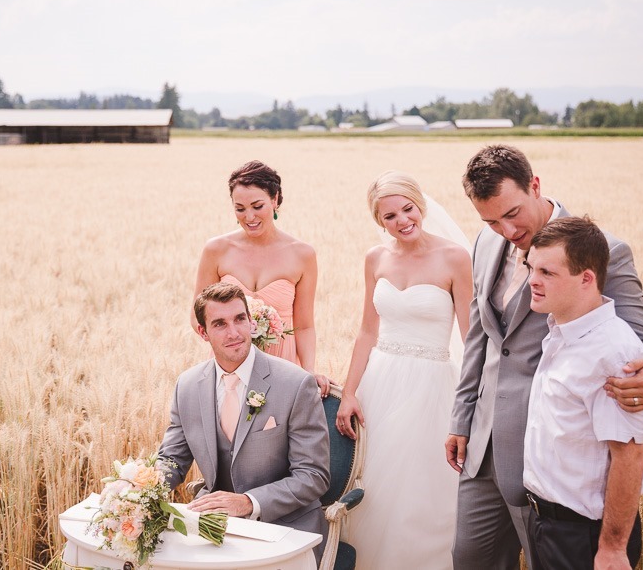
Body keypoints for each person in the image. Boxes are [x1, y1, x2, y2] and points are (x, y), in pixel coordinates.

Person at [445, 145, 643, 569]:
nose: (506, 229)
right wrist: (462, 418)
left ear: (535, 186)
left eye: (513, 213)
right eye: (491, 220)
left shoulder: (603, 251)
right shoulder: (485, 242)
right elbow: (480, 336)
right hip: (480, 449)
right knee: (468, 559)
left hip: (549, 468)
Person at [337, 172, 472, 569]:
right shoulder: (375, 258)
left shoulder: (454, 258)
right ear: (380, 221)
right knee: (375, 485)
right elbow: (366, 330)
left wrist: (472, 401)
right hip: (381, 382)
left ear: (421, 206)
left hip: (432, 386)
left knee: (423, 490)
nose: (402, 221)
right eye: (390, 216)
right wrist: (349, 392)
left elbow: (470, 337)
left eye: (408, 209)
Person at [159, 282, 331, 563]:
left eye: (240, 319)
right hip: (213, 529)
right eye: (220, 324)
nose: (234, 332)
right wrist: (137, 490)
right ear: (203, 332)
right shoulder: (187, 386)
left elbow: (313, 476)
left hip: (285, 529)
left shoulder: (295, 383)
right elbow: (172, 460)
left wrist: (248, 502)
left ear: (251, 322)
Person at [523, 216, 643, 570]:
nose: (532, 280)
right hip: (548, 524)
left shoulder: (613, 353)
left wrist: (612, 549)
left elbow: (629, 457)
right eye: (530, 267)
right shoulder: (562, 330)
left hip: (584, 537)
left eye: (547, 273)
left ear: (586, 278)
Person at [193, 160, 330, 396]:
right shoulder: (216, 250)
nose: (249, 217)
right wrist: (232, 338)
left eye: (257, 206)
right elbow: (197, 317)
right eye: (240, 208)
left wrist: (308, 372)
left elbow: (305, 325)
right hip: (229, 361)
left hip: (282, 363)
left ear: (275, 199)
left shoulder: (302, 254)